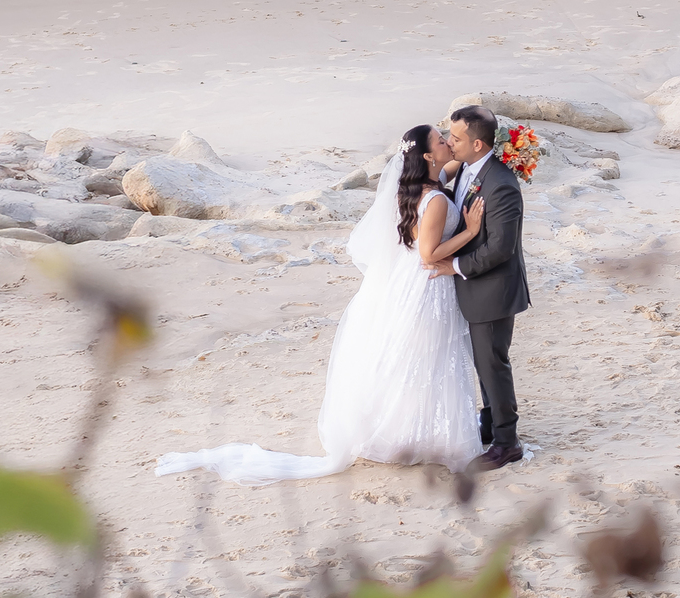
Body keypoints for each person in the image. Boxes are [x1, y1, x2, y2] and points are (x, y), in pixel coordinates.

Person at [154, 124, 483, 485]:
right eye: (441, 140)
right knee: (427, 358)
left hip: (404, 283)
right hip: (425, 284)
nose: (448, 142)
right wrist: (468, 230)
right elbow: (428, 254)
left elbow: (455, 166)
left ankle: (406, 432)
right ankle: (416, 435)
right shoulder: (434, 199)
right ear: (426, 155)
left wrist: (493, 153)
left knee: (412, 358)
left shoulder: (418, 187)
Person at [430, 103, 530, 473]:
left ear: (476, 144)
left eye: (455, 138)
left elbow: (501, 248)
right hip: (477, 288)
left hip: (492, 289)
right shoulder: (472, 170)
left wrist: (453, 266)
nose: (449, 142)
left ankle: (507, 443)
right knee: (483, 363)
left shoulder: (501, 184)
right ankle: (490, 427)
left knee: (493, 365)